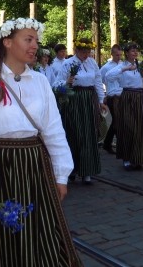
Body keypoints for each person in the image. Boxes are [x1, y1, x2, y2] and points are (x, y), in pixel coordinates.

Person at [0, 18, 81, 267]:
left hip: (36, 165)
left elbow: (53, 131)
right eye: (28, 40)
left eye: (36, 41)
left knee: (44, 231)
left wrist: (61, 174)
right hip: (1, 167)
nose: (34, 46)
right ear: (7, 42)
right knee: (4, 235)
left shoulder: (40, 82)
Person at [56, 39, 106, 184]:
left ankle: (87, 171)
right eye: (83, 51)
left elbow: (97, 81)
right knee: (74, 133)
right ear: (76, 50)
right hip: (74, 100)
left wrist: (101, 101)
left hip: (89, 99)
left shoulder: (92, 63)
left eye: (88, 51)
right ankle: (72, 169)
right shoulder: (68, 63)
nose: (86, 54)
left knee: (89, 134)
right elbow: (57, 83)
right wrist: (67, 82)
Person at [106, 43, 143, 171]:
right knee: (128, 127)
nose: (135, 53)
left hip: (139, 98)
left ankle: (138, 157)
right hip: (127, 98)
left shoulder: (140, 66)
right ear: (126, 53)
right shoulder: (121, 66)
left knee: (140, 128)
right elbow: (108, 77)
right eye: (132, 51)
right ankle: (127, 158)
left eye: (136, 51)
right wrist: (124, 69)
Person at [99, 45, 123, 154]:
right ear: (112, 54)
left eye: (120, 54)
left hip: (122, 95)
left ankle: (108, 143)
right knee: (117, 119)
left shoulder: (123, 65)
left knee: (118, 120)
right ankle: (118, 143)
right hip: (112, 97)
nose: (119, 57)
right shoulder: (106, 67)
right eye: (117, 55)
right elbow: (100, 80)